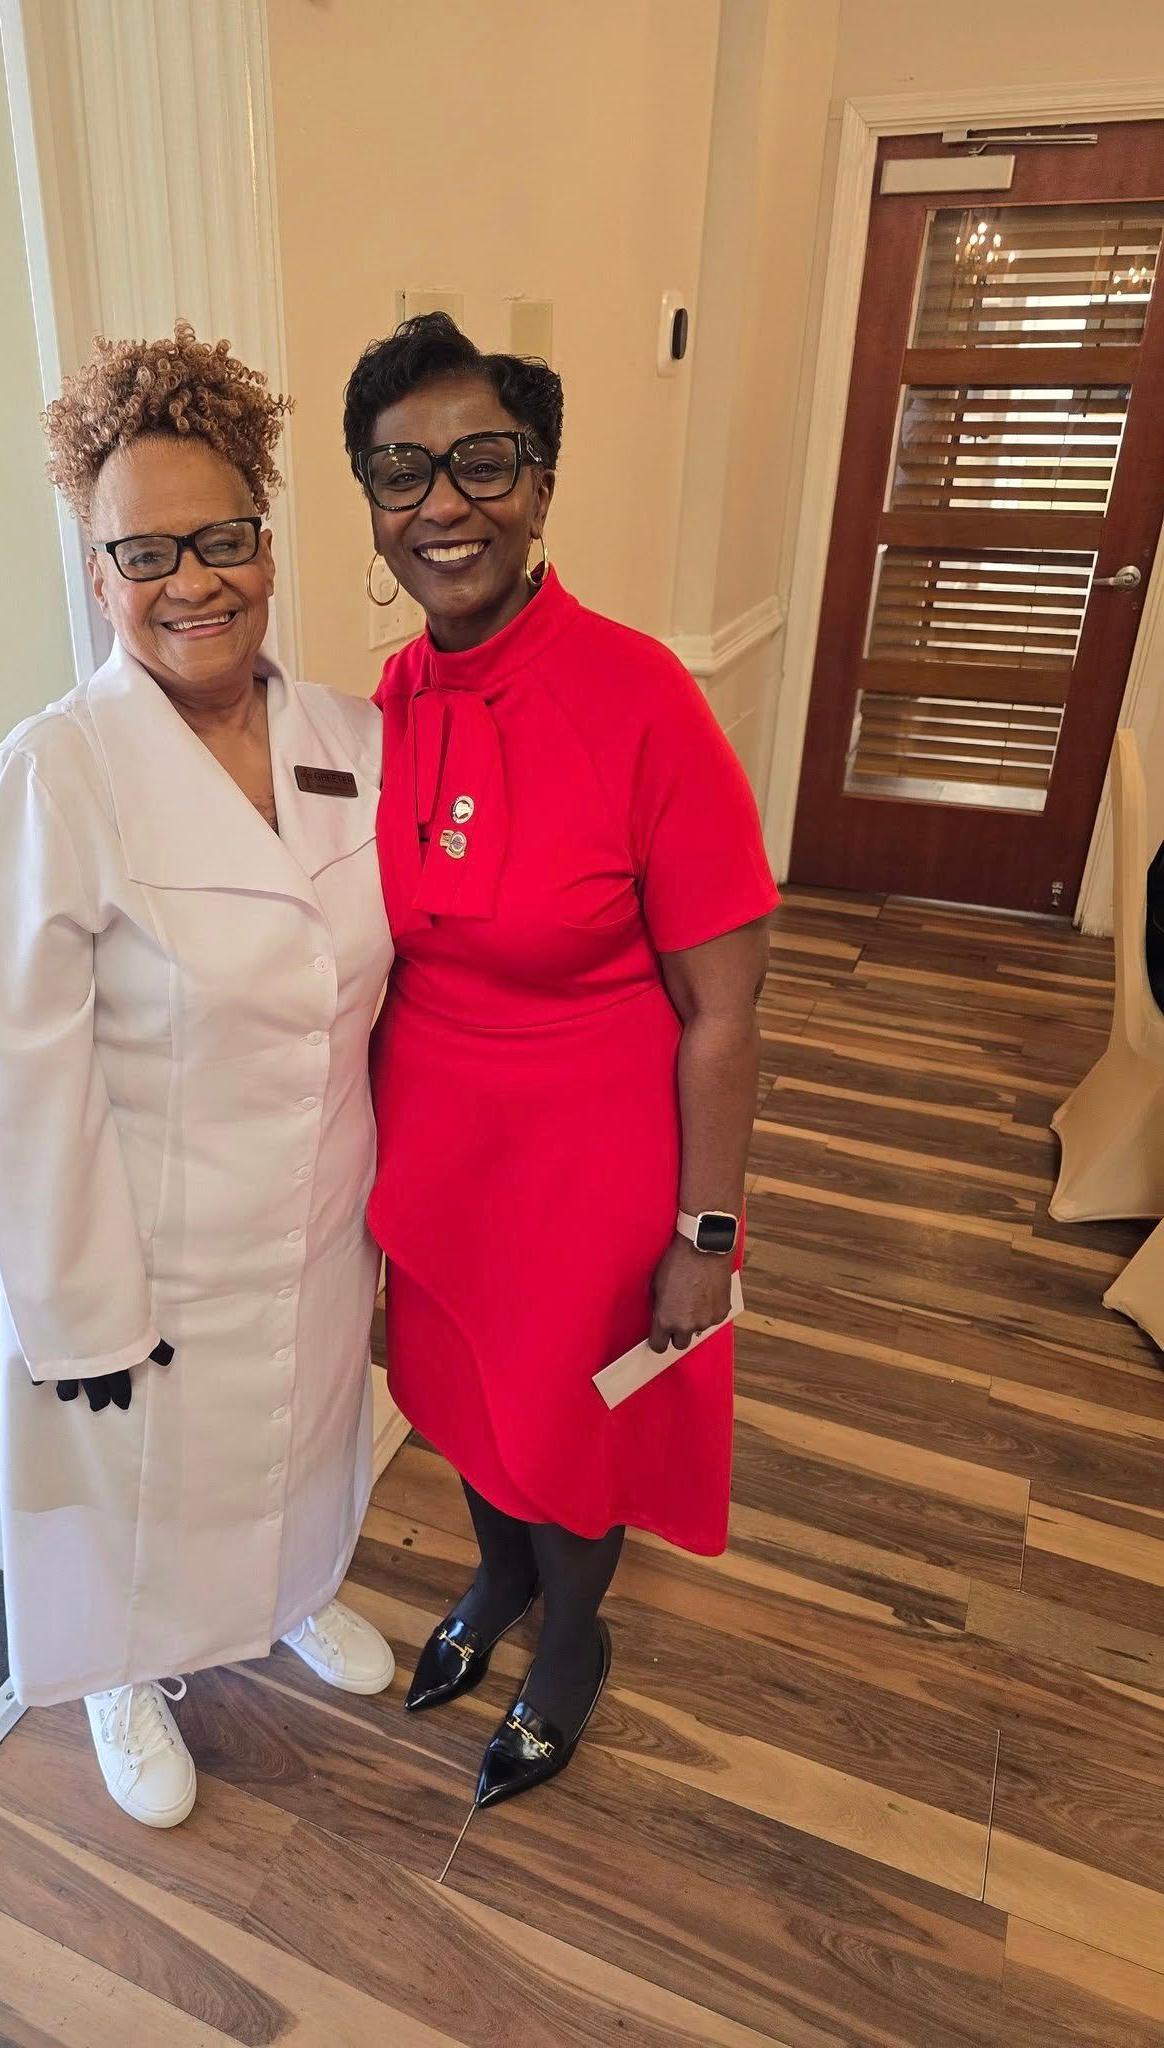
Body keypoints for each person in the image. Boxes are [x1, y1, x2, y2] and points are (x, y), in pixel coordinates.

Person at [0, 326, 394, 1831]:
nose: (190, 581)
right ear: (97, 572)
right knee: (143, 1503)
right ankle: (123, 1679)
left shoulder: (355, 740)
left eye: (222, 539)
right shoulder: (54, 774)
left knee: (303, 1449)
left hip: (318, 1225)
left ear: (268, 546)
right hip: (146, 1251)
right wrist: (77, 1309)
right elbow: (22, 1070)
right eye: (146, 551)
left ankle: (286, 1599)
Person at [345, 313, 778, 1809]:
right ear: (372, 505)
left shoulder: (641, 696)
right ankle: (494, 1583)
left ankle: (573, 1640)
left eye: (482, 462)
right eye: (403, 473)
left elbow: (727, 1013)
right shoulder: (388, 704)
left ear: (540, 482)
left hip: (593, 1167)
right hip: (439, 1153)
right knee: (463, 1403)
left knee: (571, 1435)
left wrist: (704, 1237)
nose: (442, 505)